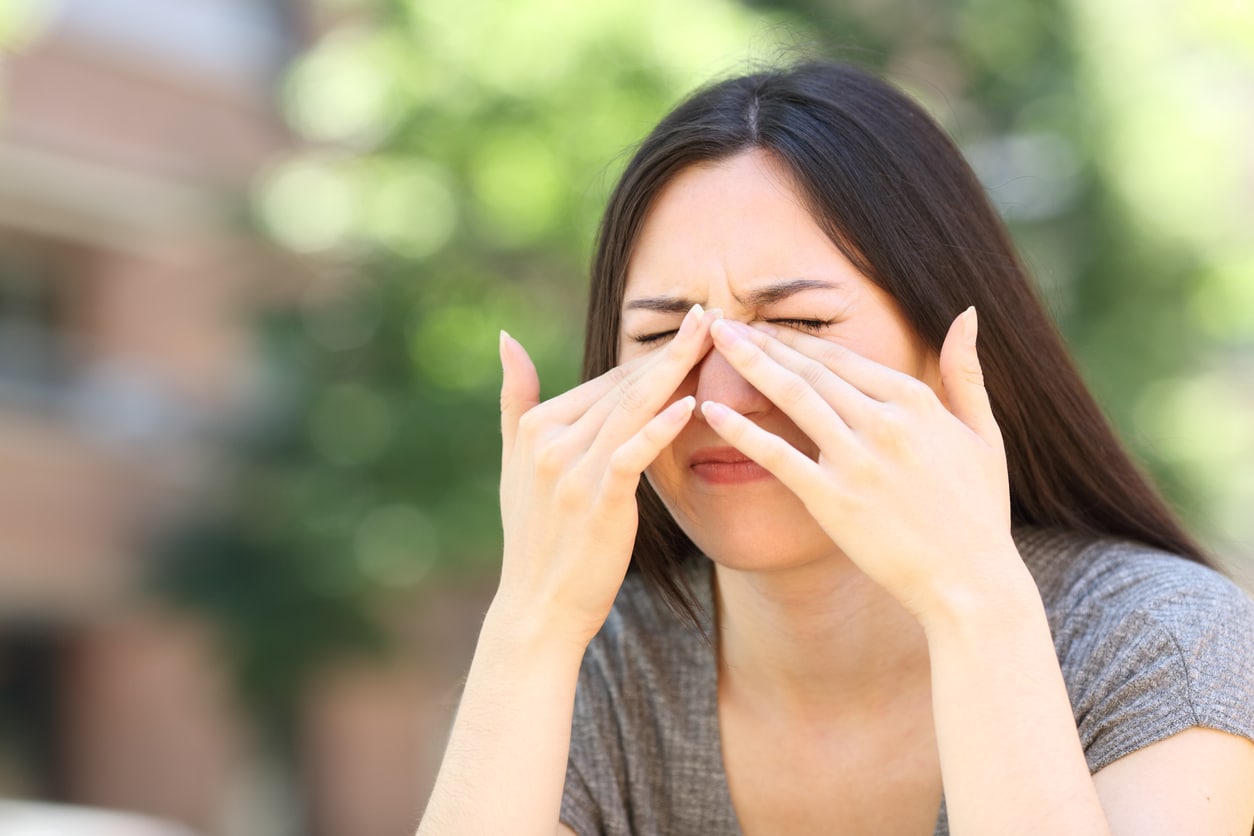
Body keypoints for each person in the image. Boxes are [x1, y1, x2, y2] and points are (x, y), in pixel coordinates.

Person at [417, 61, 1254, 835]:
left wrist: (973, 603)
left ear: (948, 347)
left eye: (798, 326)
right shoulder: (600, 675)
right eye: (664, 334)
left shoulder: (1160, 645)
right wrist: (531, 621)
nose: (717, 396)